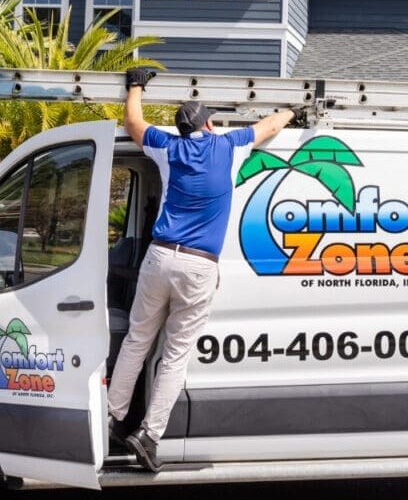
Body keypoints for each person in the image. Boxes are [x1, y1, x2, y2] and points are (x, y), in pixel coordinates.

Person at [107, 67, 301, 472]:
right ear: (209, 123)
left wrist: (136, 86)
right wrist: (291, 112)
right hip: (199, 266)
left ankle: (110, 417)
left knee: (138, 340)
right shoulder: (227, 146)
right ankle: (149, 435)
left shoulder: (168, 147)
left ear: (181, 128)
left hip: (160, 256)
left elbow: (133, 122)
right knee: (174, 355)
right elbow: (267, 126)